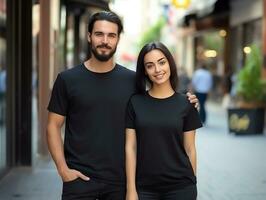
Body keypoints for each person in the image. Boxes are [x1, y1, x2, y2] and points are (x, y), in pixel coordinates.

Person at [47, 11, 198, 200]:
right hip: (79, 181)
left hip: (120, 183)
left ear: (118, 39)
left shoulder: (132, 80)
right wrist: (63, 170)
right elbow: (53, 126)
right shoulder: (67, 80)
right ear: (89, 36)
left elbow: (156, 105)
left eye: (111, 35)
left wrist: (187, 102)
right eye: (99, 34)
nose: (105, 41)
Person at [125, 42, 202, 200]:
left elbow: (190, 149)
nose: (158, 70)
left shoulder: (187, 103)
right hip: (144, 188)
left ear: (170, 64)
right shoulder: (135, 102)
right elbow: (130, 148)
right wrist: (131, 189)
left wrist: (192, 184)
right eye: (150, 65)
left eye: (162, 62)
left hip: (181, 188)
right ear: (145, 71)